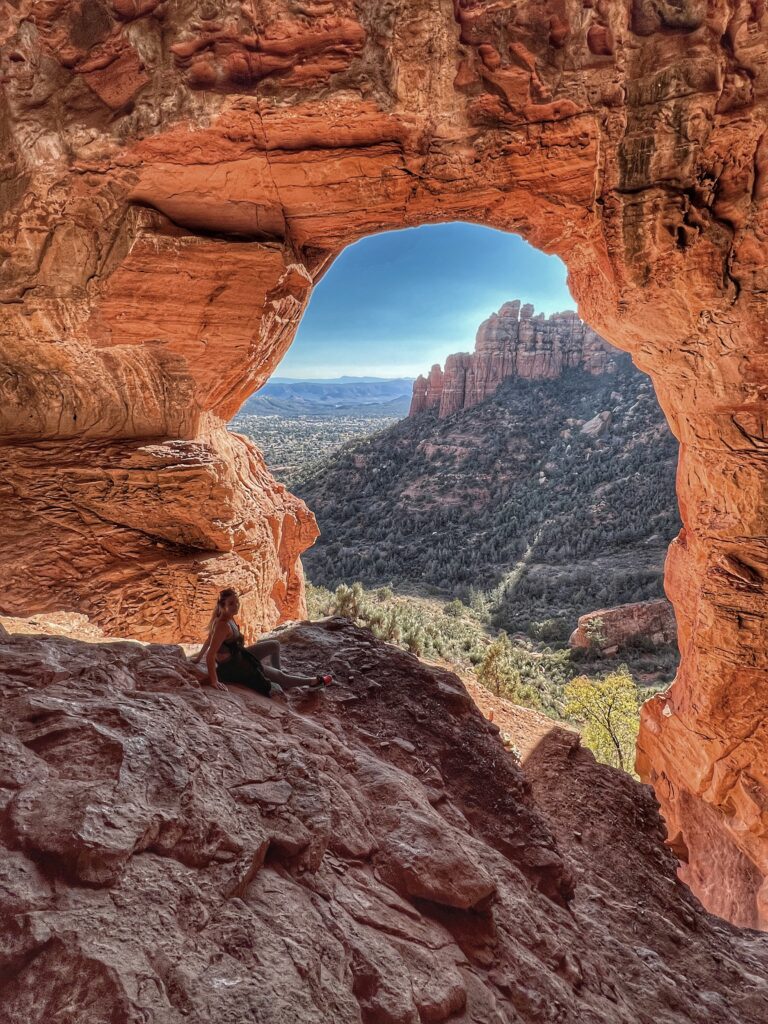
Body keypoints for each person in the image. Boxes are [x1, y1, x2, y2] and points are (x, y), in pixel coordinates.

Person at [191, 588, 332, 696]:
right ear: (222, 606)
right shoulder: (223, 625)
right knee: (279, 676)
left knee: (274, 645)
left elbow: (209, 639)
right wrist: (214, 681)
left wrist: (197, 658)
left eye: (237, 602)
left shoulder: (228, 617)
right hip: (234, 666)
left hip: (239, 655)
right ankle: (312, 681)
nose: (236, 606)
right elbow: (211, 655)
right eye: (231, 603)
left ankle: (280, 678)